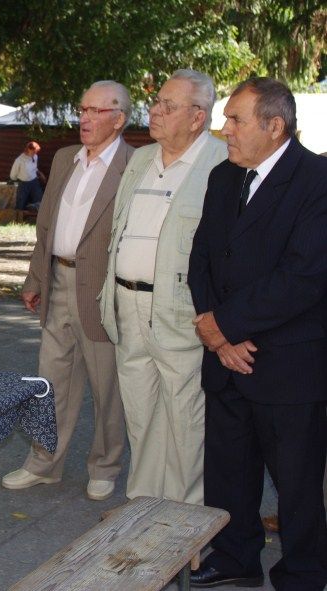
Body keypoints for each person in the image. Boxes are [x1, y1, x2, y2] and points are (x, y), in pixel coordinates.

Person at [188, 77, 327, 590]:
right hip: (225, 356)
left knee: (297, 484)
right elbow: (202, 257)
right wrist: (217, 334)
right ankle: (235, 556)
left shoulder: (317, 180)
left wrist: (226, 324)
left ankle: (304, 573)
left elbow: (304, 276)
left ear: (274, 126)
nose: (225, 130)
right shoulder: (224, 177)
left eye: (235, 120)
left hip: (287, 365)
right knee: (229, 470)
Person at [1, 81, 134, 501]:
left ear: (119, 119)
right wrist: (35, 278)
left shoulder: (134, 164)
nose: (85, 118)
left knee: (106, 387)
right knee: (51, 381)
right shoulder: (64, 158)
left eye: (96, 111)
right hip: (57, 279)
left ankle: (105, 466)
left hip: (101, 291)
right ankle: (44, 463)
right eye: (82, 109)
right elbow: (46, 226)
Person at [99, 69, 227, 505]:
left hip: (180, 311)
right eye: (156, 102)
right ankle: (143, 504)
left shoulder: (221, 164)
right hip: (127, 303)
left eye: (168, 106)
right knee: (140, 410)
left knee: (185, 415)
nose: (154, 110)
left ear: (197, 117)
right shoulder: (141, 159)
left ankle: (185, 514)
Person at [9, 141, 46, 210]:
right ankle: (18, 216)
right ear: (29, 149)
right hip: (23, 184)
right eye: (34, 152)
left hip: (34, 182)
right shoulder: (19, 160)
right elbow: (13, 175)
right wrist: (17, 179)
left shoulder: (35, 156)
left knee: (39, 201)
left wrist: (40, 174)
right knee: (20, 203)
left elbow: (34, 168)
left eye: (36, 152)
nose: (35, 153)